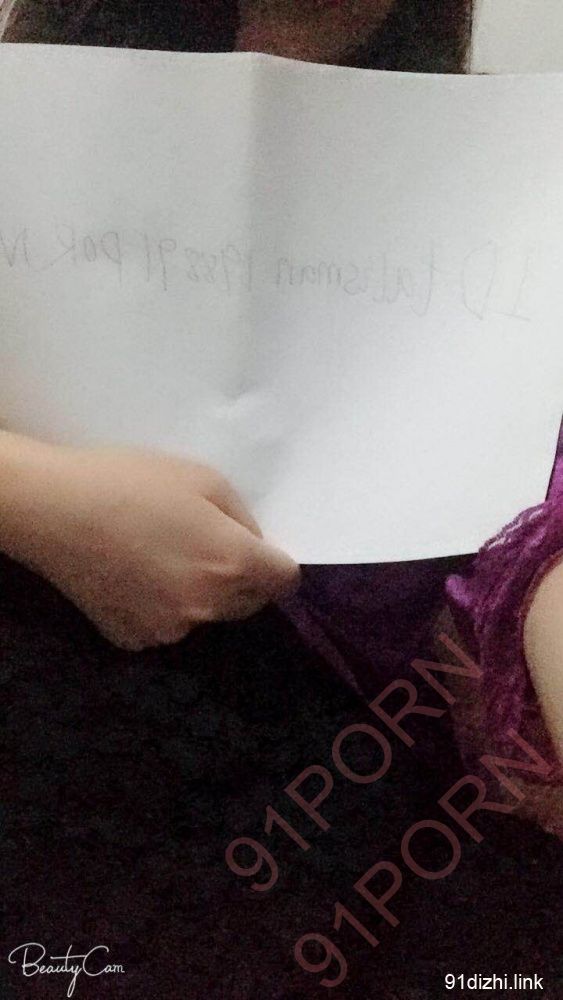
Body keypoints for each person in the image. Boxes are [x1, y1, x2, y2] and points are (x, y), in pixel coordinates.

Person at [1, 2, 562, 997]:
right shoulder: (26, 116)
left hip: (326, 826)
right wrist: (43, 505)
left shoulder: (500, 187)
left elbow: (533, 533)